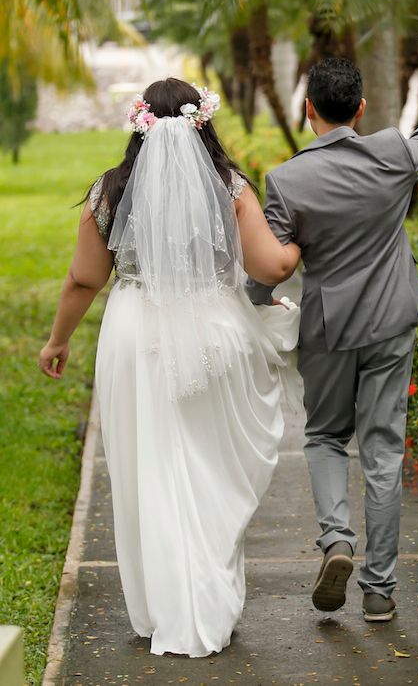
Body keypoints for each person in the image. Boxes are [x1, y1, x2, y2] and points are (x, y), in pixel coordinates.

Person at [39, 77, 301, 657]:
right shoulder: (230, 186)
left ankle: (167, 607)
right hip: (214, 333)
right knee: (209, 469)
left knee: (151, 468)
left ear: (139, 127)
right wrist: (298, 242)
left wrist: (58, 340)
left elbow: (85, 278)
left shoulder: (108, 192)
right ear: (204, 123)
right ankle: (209, 598)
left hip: (137, 334)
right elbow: (271, 266)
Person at [247, 57, 418, 622]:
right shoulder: (394, 154)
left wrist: (258, 305)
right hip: (390, 322)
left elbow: (270, 264)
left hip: (328, 330)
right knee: (382, 451)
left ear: (309, 110)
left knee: (327, 437)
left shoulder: (286, 180)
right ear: (359, 109)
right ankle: (379, 590)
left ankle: (336, 542)